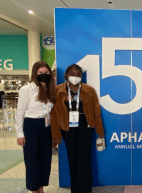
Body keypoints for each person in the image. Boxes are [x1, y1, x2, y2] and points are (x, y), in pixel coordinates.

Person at [50, 64, 104, 193]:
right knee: (72, 157)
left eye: (78, 74)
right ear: (67, 75)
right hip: (67, 128)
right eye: (72, 74)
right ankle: (75, 188)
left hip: (86, 126)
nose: (75, 77)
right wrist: (56, 135)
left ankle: (86, 188)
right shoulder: (58, 90)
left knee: (85, 157)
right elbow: (54, 114)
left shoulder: (89, 90)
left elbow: (96, 110)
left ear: (81, 76)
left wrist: (100, 130)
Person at [15, 60, 55, 193]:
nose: (44, 74)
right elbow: (20, 112)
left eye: (46, 72)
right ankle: (34, 190)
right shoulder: (27, 89)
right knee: (32, 161)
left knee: (45, 159)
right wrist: (19, 134)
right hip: (31, 125)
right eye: (40, 72)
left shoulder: (50, 89)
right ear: (35, 74)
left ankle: (41, 189)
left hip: (45, 126)